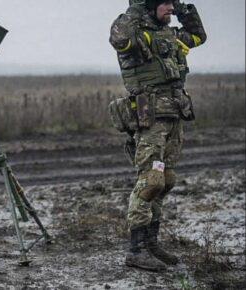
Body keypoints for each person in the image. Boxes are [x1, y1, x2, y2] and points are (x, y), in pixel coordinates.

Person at [109, 0, 206, 271]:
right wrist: (137, 10)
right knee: (150, 180)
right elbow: (120, 39)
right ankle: (136, 250)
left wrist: (183, 8)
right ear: (149, 6)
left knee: (166, 180)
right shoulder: (138, 38)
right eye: (164, 3)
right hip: (150, 119)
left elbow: (199, 36)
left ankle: (151, 243)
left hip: (174, 115)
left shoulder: (170, 35)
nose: (170, 9)